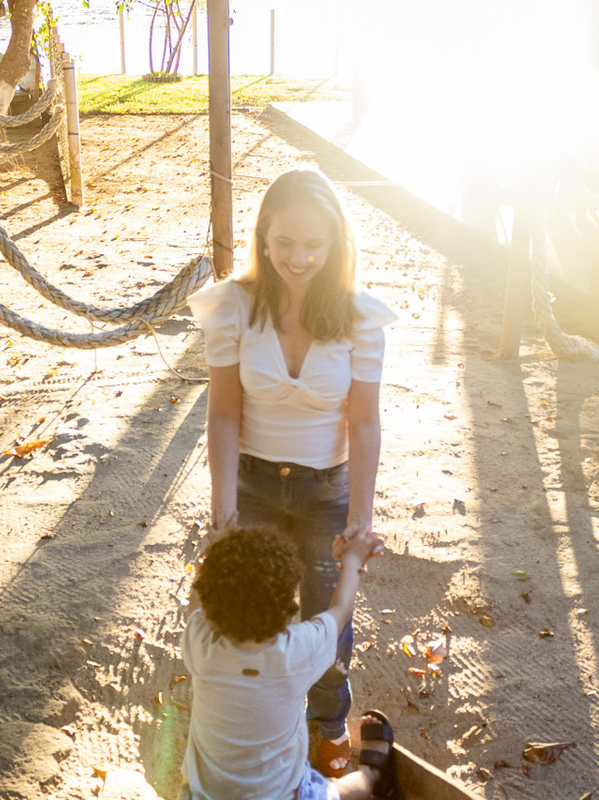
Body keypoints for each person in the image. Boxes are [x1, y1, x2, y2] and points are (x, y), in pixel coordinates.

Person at [186, 169, 397, 776]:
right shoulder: (232, 306)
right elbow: (224, 414)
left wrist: (360, 518)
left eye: (313, 245)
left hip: (325, 486)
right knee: (240, 613)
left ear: (335, 244)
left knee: (327, 616)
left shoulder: (359, 316)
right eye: (284, 243)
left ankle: (327, 725)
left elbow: (364, 422)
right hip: (251, 481)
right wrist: (223, 512)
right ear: (263, 237)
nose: (298, 258)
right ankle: (237, 721)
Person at [182, 526, 396, 800]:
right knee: (338, 790)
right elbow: (340, 610)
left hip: (204, 795)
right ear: (286, 607)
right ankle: (373, 776)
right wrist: (353, 560)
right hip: (286, 795)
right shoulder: (297, 650)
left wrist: (212, 556)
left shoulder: (201, 644)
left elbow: (195, 605)